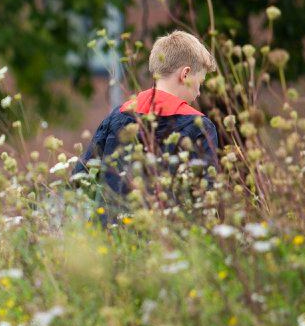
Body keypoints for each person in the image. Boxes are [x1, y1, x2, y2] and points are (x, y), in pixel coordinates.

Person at [76, 29, 220, 210]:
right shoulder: (199, 127)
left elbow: (80, 178)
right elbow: (206, 196)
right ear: (185, 74)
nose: (198, 93)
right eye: (200, 83)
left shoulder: (118, 116)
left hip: (113, 233)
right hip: (166, 235)